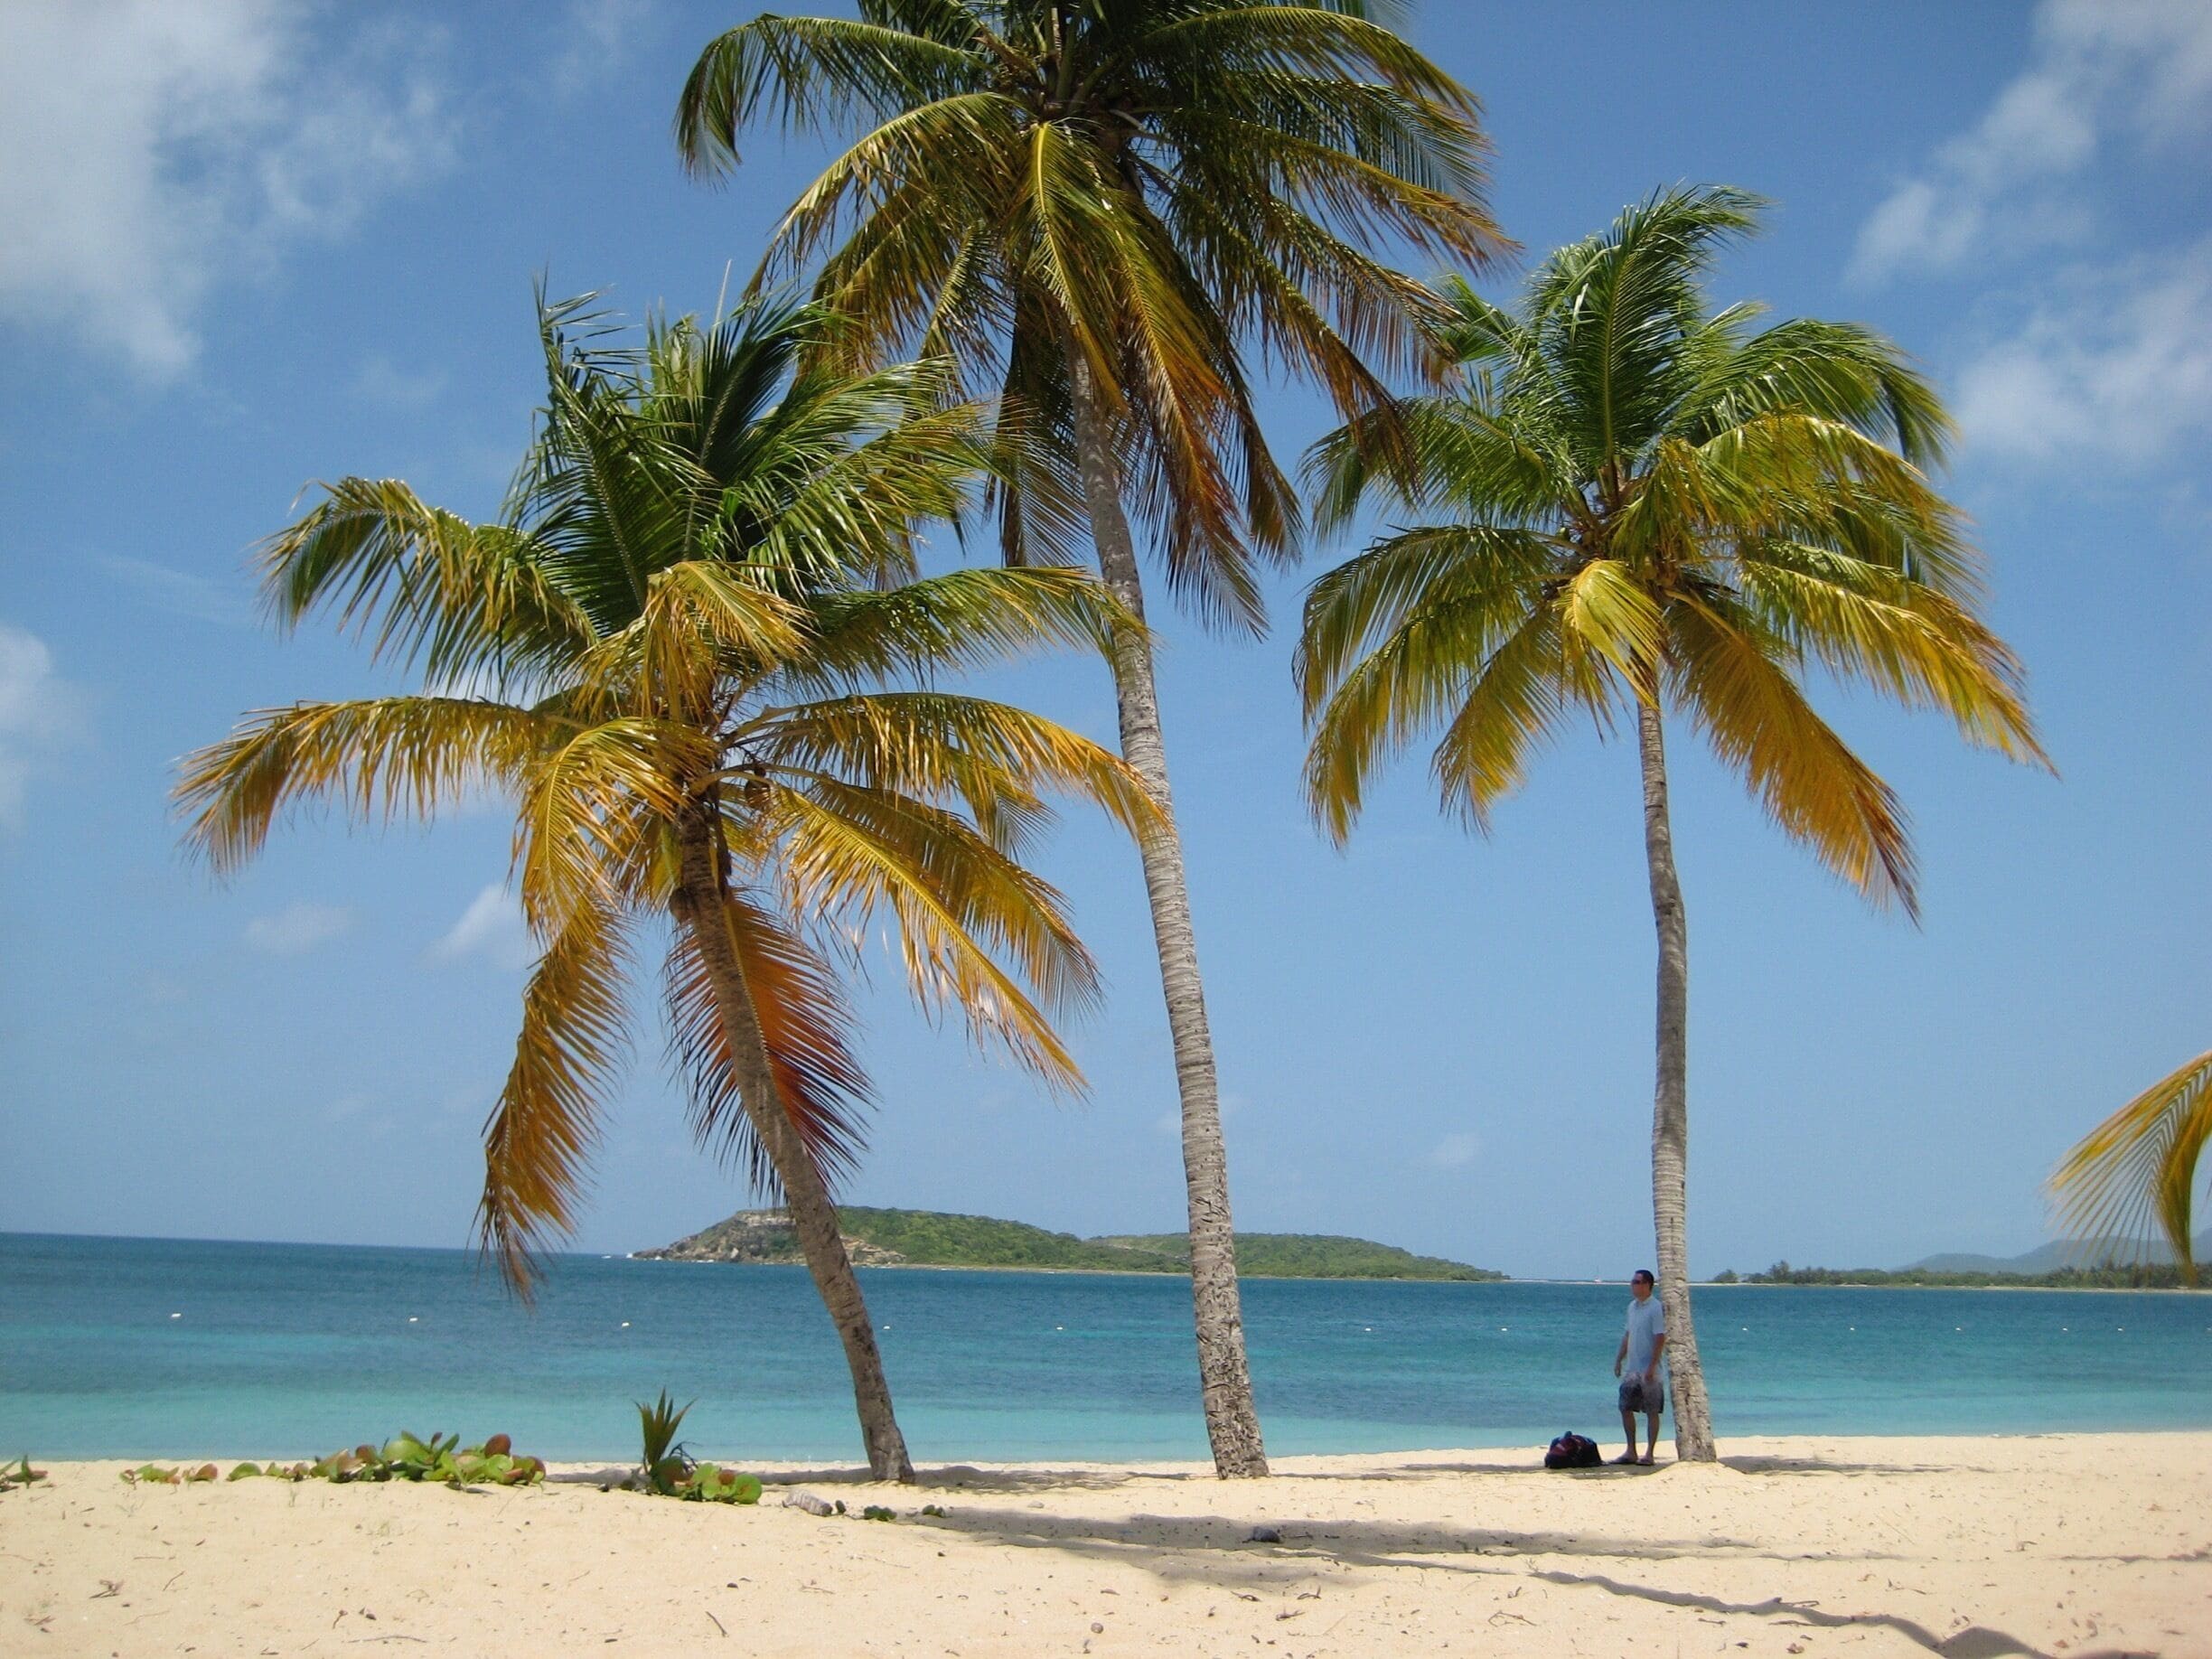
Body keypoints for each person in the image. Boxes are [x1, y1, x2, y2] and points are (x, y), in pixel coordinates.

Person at [1612, 1269, 1667, 1465]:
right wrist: (1619, 1359)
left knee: (1652, 1410)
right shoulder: (1632, 1307)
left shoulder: (1655, 1308)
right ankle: (1631, 1451)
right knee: (1625, 1407)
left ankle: (1649, 1454)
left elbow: (1660, 1338)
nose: (1633, 1285)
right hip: (1632, 1369)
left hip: (1650, 1369)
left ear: (1647, 1285)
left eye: (1637, 1282)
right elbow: (1628, 1335)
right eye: (1633, 1281)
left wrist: (1652, 1366)